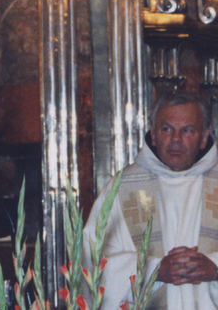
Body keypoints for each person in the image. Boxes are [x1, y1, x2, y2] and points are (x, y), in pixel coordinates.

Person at [84, 91, 218, 310]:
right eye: (167, 129)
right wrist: (152, 271)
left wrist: (215, 268)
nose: (176, 139)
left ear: (204, 138)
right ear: (153, 134)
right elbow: (92, 262)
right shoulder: (122, 187)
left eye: (187, 130)